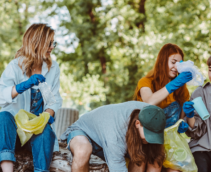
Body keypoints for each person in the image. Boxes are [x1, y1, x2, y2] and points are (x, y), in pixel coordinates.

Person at [0, 24, 62, 172]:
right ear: (36, 43)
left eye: (53, 43)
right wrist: (22, 86)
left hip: (34, 135)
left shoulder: (53, 68)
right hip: (13, 134)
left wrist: (48, 114)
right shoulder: (15, 66)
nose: (52, 47)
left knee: (46, 130)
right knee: (4, 117)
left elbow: (55, 99)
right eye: (49, 43)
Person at [60, 101, 166, 172]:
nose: (151, 139)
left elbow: (155, 162)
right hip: (84, 131)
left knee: (141, 158)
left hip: (107, 137)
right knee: (82, 151)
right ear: (137, 124)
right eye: (148, 135)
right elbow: (118, 169)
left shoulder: (155, 116)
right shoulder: (116, 133)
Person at [135, 43, 192, 131]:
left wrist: (182, 122)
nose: (176, 67)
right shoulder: (146, 82)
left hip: (170, 139)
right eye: (173, 62)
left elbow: (180, 119)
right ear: (162, 61)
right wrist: (173, 85)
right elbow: (149, 102)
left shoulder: (182, 89)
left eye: (179, 64)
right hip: (148, 136)